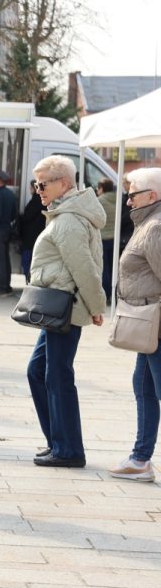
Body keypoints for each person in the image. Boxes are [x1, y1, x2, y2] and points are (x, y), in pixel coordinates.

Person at [26, 155, 106, 469]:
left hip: (65, 308)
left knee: (57, 375)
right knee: (38, 371)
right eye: (36, 184)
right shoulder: (65, 213)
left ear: (63, 183)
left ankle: (69, 450)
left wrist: (96, 306)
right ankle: (59, 442)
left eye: (42, 184)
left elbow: (85, 268)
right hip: (59, 308)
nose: (38, 190)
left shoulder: (69, 219)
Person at [108, 168, 161, 482]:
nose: (128, 201)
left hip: (155, 324)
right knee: (143, 387)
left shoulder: (155, 227)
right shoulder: (147, 223)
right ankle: (140, 459)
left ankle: (141, 459)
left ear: (152, 196)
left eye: (133, 195)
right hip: (147, 327)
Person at [96, 178, 118, 302]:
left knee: (104, 268)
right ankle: (114, 292)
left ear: (102, 188)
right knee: (113, 267)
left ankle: (107, 294)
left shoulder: (99, 201)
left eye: (98, 188)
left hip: (103, 238)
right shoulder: (119, 199)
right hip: (115, 238)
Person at [18, 187, 46, 277]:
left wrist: (20, 218)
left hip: (30, 237)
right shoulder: (45, 201)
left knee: (27, 261)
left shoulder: (36, 201)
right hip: (38, 237)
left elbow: (27, 216)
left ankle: (29, 279)